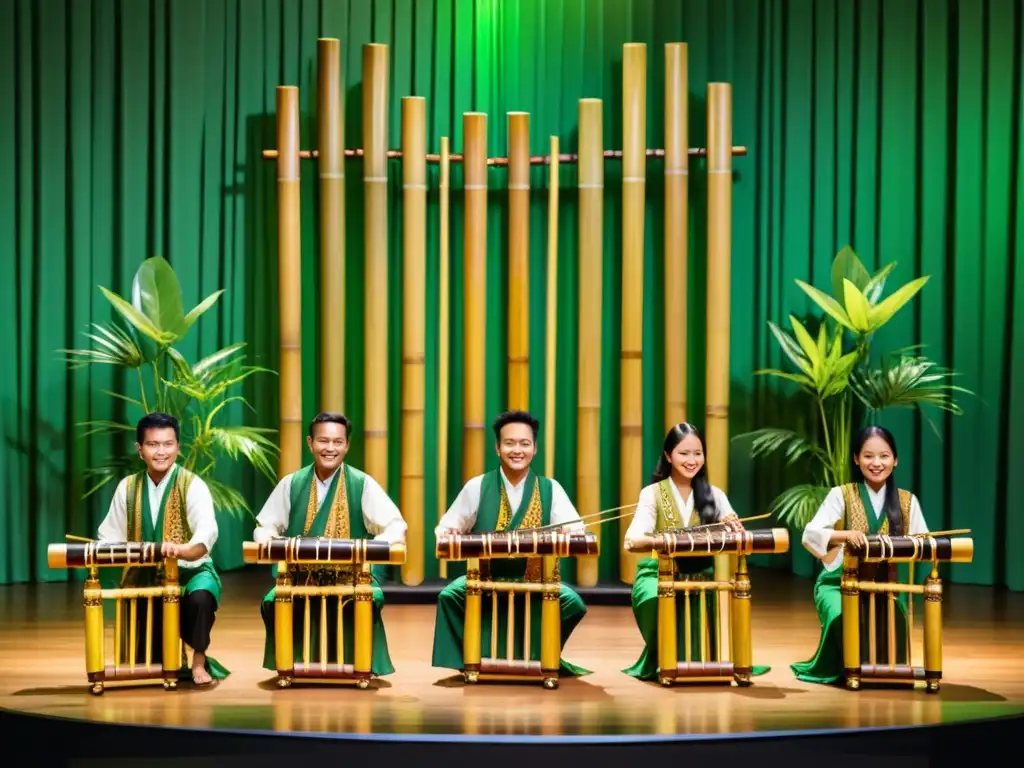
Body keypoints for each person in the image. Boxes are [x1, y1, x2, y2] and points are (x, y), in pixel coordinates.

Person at [431, 410, 589, 676]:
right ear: (497, 447)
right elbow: (446, 527)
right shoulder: (477, 486)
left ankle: (540, 654)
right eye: (510, 443)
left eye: (525, 444)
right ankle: (473, 656)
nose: (517, 450)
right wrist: (449, 535)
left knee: (573, 603)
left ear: (535, 448)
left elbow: (577, 532)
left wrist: (568, 537)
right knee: (449, 596)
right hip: (484, 581)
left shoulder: (550, 488)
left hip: (538, 582)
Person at [253, 412, 407, 677]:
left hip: (351, 579)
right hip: (300, 578)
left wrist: (371, 548)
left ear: (347, 445)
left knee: (369, 598)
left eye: (338, 442)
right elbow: (265, 525)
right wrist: (271, 541)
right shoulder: (291, 484)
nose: (330, 448)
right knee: (273, 600)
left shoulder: (362, 484)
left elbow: (396, 526)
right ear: (310, 443)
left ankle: (359, 665)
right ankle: (290, 664)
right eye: (323, 441)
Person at [621, 423, 769, 682]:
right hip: (660, 573)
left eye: (698, 453)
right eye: (684, 453)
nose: (692, 460)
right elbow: (633, 539)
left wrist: (732, 528)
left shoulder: (714, 496)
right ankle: (663, 656)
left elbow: (737, 539)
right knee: (651, 599)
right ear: (668, 456)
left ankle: (698, 661)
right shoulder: (652, 494)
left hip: (700, 576)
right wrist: (663, 540)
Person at [96, 412, 229, 686]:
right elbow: (109, 535)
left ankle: (199, 661)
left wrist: (181, 550)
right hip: (147, 574)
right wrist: (114, 550)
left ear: (178, 448)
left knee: (201, 598)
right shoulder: (127, 488)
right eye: (153, 445)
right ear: (139, 449)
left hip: (190, 571)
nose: (161, 452)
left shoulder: (193, 485)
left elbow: (206, 533)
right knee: (152, 663)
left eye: (168, 444)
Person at [791, 425, 929, 685]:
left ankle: (879, 669)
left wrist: (901, 545)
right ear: (856, 459)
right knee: (841, 616)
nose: (876, 463)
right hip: (839, 584)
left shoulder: (907, 501)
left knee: (895, 618)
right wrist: (846, 536)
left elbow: (922, 542)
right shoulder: (841, 494)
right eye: (868, 456)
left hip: (884, 586)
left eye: (884, 456)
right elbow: (810, 534)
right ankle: (848, 669)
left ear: (895, 460)